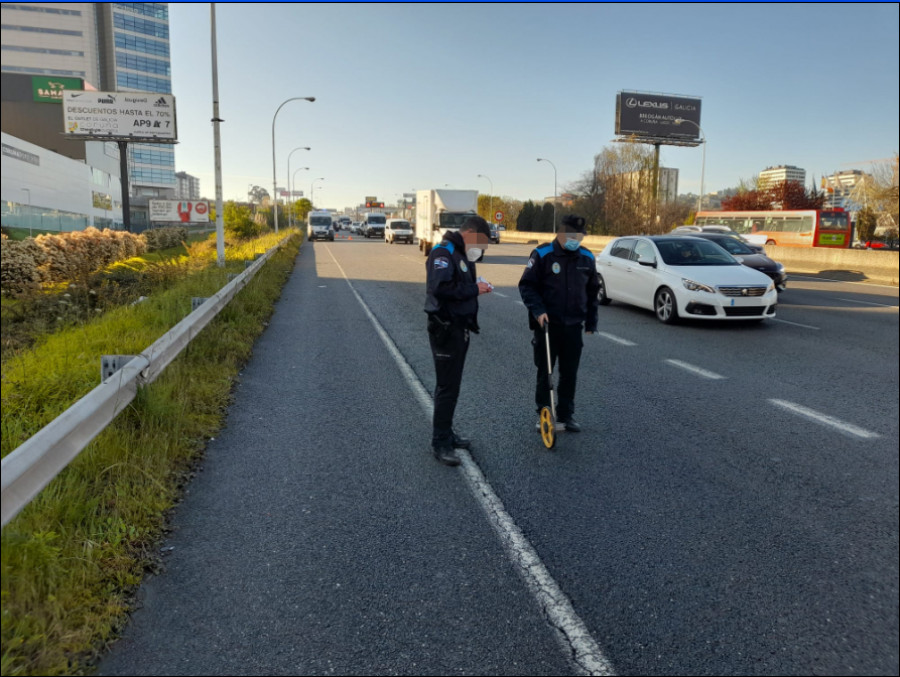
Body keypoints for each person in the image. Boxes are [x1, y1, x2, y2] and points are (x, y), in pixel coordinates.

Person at [518, 214, 599, 433]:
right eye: (573, 235)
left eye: (580, 236)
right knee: (546, 372)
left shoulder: (587, 258)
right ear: (562, 233)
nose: (577, 240)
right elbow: (527, 286)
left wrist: (591, 321)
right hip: (547, 325)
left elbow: (592, 292)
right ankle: (544, 414)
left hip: (573, 326)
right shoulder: (542, 254)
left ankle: (566, 415)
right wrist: (538, 310)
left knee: (569, 373)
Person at [424, 215, 493, 466]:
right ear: (469, 234)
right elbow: (441, 288)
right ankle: (439, 442)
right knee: (446, 387)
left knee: (453, 386)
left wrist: (475, 285)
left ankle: (447, 433)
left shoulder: (462, 254)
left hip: (459, 328)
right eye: (480, 242)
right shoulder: (443, 252)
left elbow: (459, 286)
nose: (481, 248)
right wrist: (476, 289)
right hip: (445, 328)